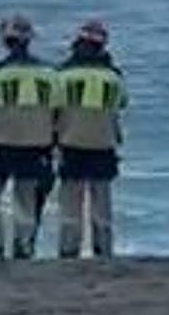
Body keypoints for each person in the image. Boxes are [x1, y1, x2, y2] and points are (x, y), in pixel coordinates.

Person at [0, 15, 57, 261]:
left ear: (5, 42)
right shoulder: (49, 74)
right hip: (35, 145)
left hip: (0, 143)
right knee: (26, 200)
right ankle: (24, 247)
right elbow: (57, 111)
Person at [54, 20, 127, 258]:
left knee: (70, 206)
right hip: (104, 144)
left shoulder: (63, 75)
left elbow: (54, 108)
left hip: (70, 142)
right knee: (102, 205)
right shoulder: (114, 77)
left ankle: (68, 250)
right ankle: (103, 250)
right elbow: (122, 104)